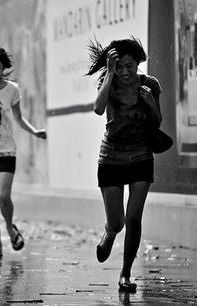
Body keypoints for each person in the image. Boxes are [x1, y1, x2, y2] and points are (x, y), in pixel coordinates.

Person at [86, 37, 162, 292]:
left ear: (138, 62)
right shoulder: (108, 82)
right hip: (111, 158)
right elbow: (98, 109)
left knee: (134, 218)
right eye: (119, 67)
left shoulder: (150, 85)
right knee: (117, 222)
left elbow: (157, 121)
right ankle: (109, 233)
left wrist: (151, 103)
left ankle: (125, 274)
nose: (125, 72)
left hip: (141, 156)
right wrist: (109, 74)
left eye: (129, 66)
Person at [0, 46, 46, 258]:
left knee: (2, 197)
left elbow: (18, 118)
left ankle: (10, 227)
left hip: (6, 151)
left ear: (4, 68)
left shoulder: (12, 89)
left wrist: (34, 131)